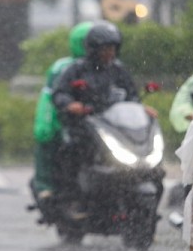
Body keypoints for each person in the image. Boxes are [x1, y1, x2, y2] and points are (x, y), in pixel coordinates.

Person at [52, 20, 157, 216]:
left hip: (114, 126)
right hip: (85, 125)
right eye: (105, 49)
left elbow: (131, 95)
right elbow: (59, 93)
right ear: (93, 49)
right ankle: (72, 198)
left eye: (113, 49)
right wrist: (70, 104)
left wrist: (141, 108)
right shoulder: (76, 69)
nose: (110, 53)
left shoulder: (119, 70)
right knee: (71, 150)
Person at [32, 21, 92, 201]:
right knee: (54, 144)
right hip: (70, 120)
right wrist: (49, 124)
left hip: (101, 123)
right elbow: (53, 97)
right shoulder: (65, 68)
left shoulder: (111, 67)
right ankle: (48, 187)